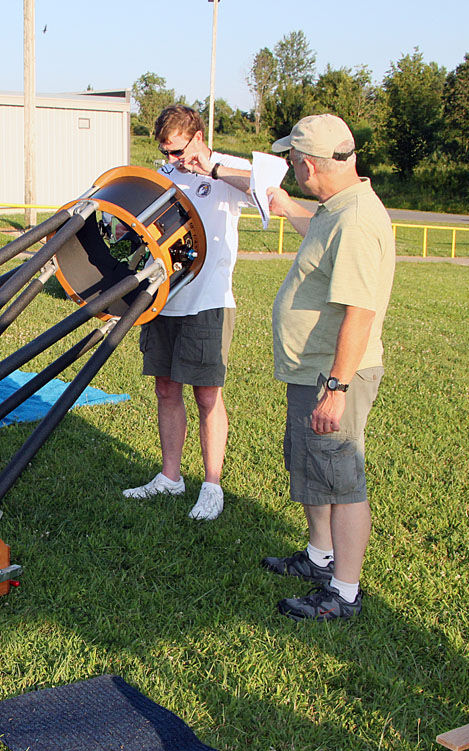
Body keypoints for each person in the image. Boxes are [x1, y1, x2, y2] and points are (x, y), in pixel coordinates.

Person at [262, 114, 395, 620]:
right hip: (312, 369)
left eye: (294, 162)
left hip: (332, 374)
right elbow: (319, 241)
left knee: (342, 480)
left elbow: (360, 313)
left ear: (309, 165)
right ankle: (319, 558)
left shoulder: (356, 220)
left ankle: (344, 591)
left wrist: (336, 389)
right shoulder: (335, 208)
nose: (293, 170)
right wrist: (287, 207)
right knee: (313, 467)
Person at [121, 104, 253, 520]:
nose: (172, 159)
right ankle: (170, 477)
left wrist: (212, 169)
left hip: (208, 301)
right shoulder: (165, 174)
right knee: (165, 388)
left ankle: (212, 486)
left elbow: (265, 191)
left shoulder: (225, 170)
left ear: (197, 137)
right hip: (165, 297)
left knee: (207, 394)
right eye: (165, 152)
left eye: (178, 151)